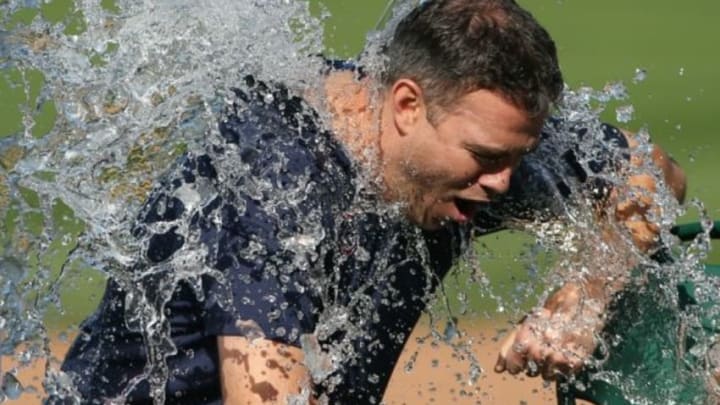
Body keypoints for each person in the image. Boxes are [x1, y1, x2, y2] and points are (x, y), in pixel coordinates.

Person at [53, 0, 686, 404]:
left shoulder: (468, 155)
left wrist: (582, 298)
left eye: (518, 156)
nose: (504, 183)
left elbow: (652, 176)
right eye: (489, 157)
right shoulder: (274, 181)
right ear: (408, 105)